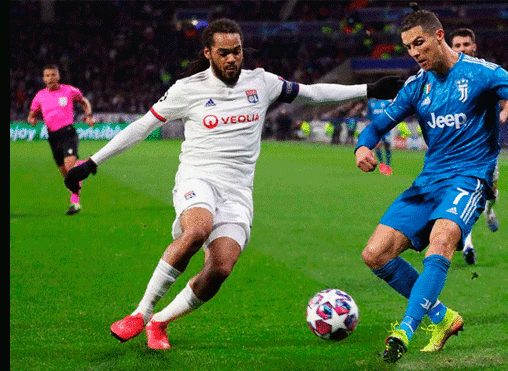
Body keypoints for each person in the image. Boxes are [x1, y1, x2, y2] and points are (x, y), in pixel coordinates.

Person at [64, 18, 402, 350]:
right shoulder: (188, 89)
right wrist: (92, 162)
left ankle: (159, 322)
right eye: (224, 53)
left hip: (238, 191)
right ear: (209, 53)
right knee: (196, 231)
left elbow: (311, 93)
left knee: (221, 268)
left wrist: (369, 89)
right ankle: (140, 313)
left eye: (237, 52)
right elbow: (140, 126)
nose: (232, 59)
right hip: (198, 178)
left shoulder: (261, 83)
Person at [354, 4, 508, 363]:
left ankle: (406, 329)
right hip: (429, 181)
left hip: (470, 177)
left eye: (419, 44)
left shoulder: (482, 74)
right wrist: (362, 146)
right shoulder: (417, 86)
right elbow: (377, 126)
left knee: (441, 240)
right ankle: (442, 317)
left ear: (439, 36)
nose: (414, 53)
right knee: (375, 254)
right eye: (408, 47)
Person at [448, 27, 508, 264]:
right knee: (463, 196)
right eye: (457, 45)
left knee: (489, 196)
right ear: (451, 48)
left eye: (466, 45)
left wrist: (503, 113)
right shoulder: (446, 75)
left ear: (474, 47)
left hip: (487, 150)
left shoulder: (488, 73)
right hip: (458, 151)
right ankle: (467, 244)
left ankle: (490, 209)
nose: (462, 49)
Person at [27, 64, 94, 215]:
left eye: (53, 75)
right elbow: (32, 114)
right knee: (66, 175)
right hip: (53, 137)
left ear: (58, 76)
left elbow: (84, 102)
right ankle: (84, 165)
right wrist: (32, 119)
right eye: (47, 75)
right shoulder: (40, 96)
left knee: (70, 168)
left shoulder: (69, 90)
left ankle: (75, 202)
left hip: (68, 133)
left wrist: (88, 115)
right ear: (43, 78)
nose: (50, 78)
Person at [366, 98, 394, 176]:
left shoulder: (387, 102)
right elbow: (369, 116)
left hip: (386, 127)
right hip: (376, 128)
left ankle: (388, 164)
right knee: (377, 145)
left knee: (387, 145)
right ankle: (382, 164)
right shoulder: (371, 103)